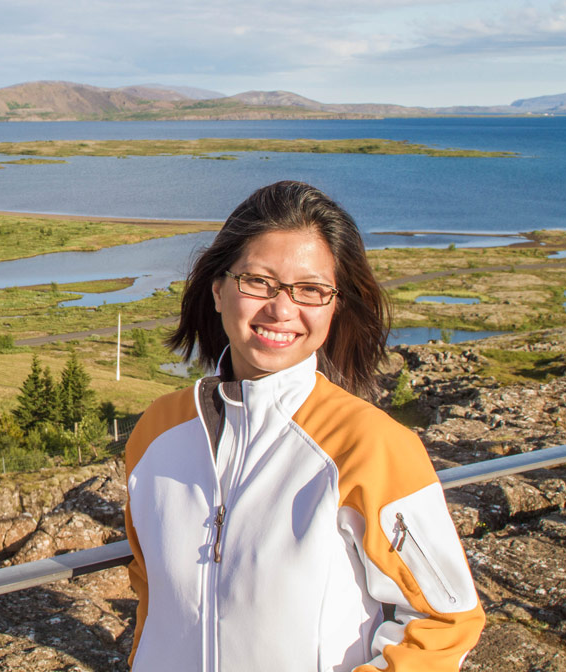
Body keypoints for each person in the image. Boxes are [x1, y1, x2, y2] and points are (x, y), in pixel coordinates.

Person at [124, 180, 484, 671]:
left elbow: (445, 622)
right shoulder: (155, 432)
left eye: (311, 290)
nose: (282, 308)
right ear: (217, 289)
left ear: (334, 306)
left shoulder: (369, 445)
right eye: (257, 281)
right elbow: (151, 592)